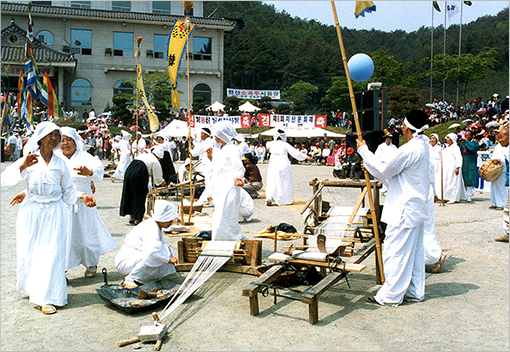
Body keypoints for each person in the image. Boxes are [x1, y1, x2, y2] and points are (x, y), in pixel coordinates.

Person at [1, 122, 96, 315]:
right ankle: (37, 293)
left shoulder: (60, 163)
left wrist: (82, 196)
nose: (54, 139)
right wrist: (22, 167)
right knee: (33, 252)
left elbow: (67, 191)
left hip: (54, 212)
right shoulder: (30, 160)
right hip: (32, 212)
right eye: (50, 135)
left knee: (53, 254)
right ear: (41, 137)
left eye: (57, 135)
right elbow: (5, 181)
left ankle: (49, 296)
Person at [357, 109, 430, 306]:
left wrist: (364, 151)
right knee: (413, 254)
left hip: (404, 208)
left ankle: (390, 296)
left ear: (407, 127)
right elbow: (392, 172)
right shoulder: (422, 145)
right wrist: (371, 165)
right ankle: (414, 291)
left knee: (395, 252)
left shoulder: (410, 149)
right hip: (415, 207)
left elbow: (384, 170)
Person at [56, 127, 118, 278]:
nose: (66, 144)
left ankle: (91, 264)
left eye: (69, 140)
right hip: (63, 203)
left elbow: (98, 171)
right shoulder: (55, 157)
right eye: (63, 140)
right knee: (62, 236)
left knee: (87, 235)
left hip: (84, 204)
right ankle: (61, 270)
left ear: (76, 142)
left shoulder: (85, 156)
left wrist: (89, 173)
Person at [115, 200, 179, 289]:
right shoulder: (151, 227)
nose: (171, 222)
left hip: (134, 257)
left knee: (165, 250)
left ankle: (144, 277)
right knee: (152, 256)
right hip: (126, 261)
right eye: (169, 219)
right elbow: (151, 252)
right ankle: (130, 279)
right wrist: (167, 259)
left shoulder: (156, 226)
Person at [207, 121, 246, 241]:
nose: (215, 137)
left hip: (229, 185)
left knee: (226, 215)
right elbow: (218, 168)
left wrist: (238, 177)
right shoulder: (220, 149)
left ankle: (229, 240)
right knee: (219, 214)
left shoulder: (232, 149)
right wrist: (211, 158)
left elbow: (238, 167)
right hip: (219, 186)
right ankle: (221, 241)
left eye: (217, 135)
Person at [120, 145, 166, 225]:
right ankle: (138, 218)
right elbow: (158, 178)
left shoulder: (145, 155)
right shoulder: (155, 161)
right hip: (139, 173)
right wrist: (164, 183)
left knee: (130, 193)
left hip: (130, 169)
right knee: (139, 195)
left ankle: (132, 216)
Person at [265, 129, 311, 206]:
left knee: (272, 180)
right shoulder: (285, 144)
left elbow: (267, 145)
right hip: (283, 161)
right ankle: (284, 199)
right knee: (284, 181)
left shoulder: (271, 143)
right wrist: (306, 157)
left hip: (273, 162)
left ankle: (269, 197)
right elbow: (295, 152)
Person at [442, 133, 467, 204]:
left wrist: (458, 167)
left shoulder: (455, 148)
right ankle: (447, 196)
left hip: (453, 167)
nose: (446, 139)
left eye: (448, 137)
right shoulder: (447, 148)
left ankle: (454, 197)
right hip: (447, 168)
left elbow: (459, 158)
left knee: (454, 183)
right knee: (448, 182)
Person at [489, 124, 509, 210]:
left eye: (502, 137)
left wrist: (500, 160)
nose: (499, 139)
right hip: (496, 170)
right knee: (494, 187)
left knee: (502, 188)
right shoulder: (498, 146)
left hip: (504, 171)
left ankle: (502, 204)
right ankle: (494, 202)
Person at [459, 130, 480, 202]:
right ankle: (464, 194)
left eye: (468, 135)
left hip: (471, 163)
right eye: (465, 135)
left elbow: (472, 148)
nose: (466, 137)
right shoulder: (463, 143)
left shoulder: (475, 143)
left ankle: (469, 195)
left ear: (471, 136)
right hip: (464, 163)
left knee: (471, 177)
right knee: (464, 177)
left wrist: (467, 141)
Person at [429, 133, 442, 201]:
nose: (432, 140)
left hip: (437, 164)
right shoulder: (428, 147)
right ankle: (432, 194)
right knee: (430, 179)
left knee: (437, 179)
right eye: (431, 138)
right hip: (429, 164)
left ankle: (438, 194)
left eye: (433, 138)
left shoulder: (440, 148)